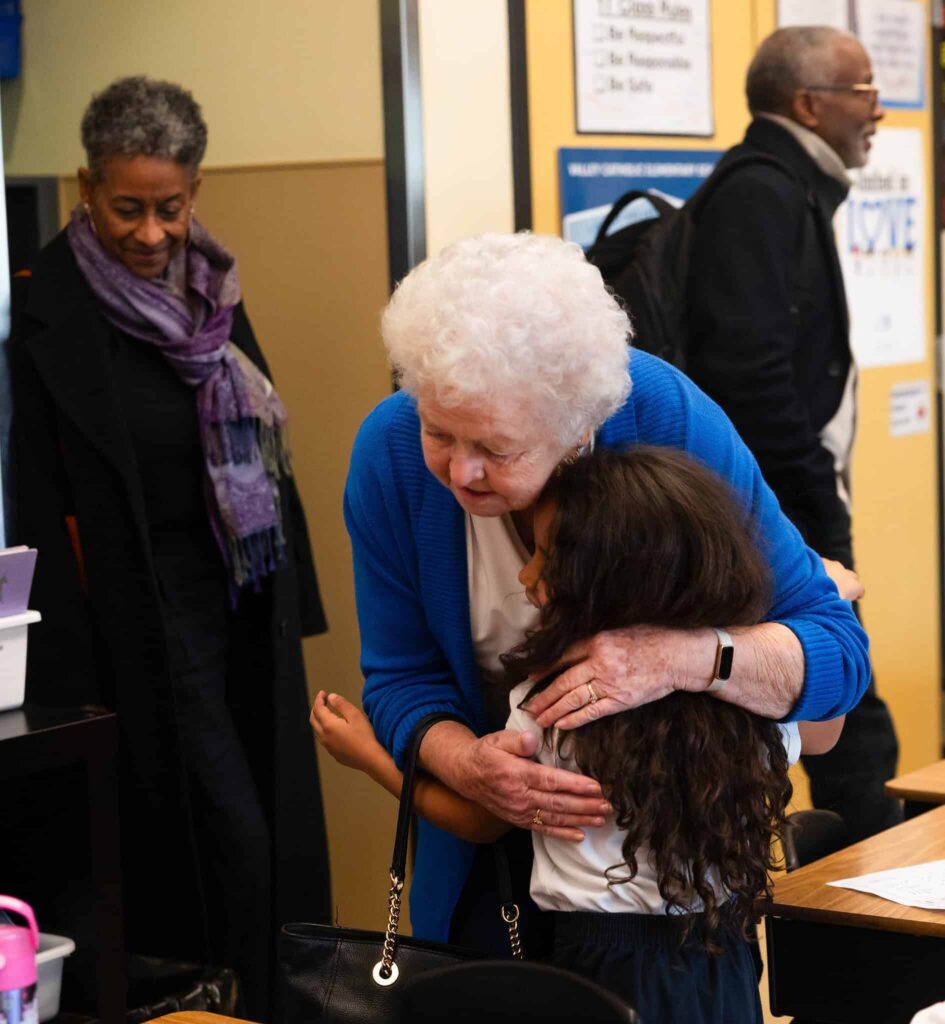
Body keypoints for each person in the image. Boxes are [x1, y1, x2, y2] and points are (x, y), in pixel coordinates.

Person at [343, 231, 869, 954]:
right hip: (491, 888)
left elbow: (836, 656)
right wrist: (465, 762)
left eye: (495, 449)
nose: (459, 473)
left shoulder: (665, 419)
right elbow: (401, 680)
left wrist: (684, 659)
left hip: (670, 900)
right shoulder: (392, 452)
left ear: (577, 429)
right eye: (440, 431)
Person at [318, 445, 846, 1021]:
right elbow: (825, 730)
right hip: (723, 961)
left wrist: (371, 756)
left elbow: (482, 819)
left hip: (598, 968)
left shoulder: (550, 707)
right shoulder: (748, 716)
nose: (525, 575)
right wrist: (826, 597)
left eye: (545, 558)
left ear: (603, 588)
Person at [7, 77, 329, 1018]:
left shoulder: (208, 289)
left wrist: (294, 597)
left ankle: (266, 997)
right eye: (127, 209)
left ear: (197, 192)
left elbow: (268, 460)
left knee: (265, 816)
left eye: (170, 208)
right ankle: (224, 1003)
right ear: (84, 187)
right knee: (223, 830)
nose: (151, 234)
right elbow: (32, 489)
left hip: (238, 595)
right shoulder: (45, 309)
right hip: (135, 615)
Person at [685, 26, 900, 843]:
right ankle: (874, 938)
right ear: (809, 103)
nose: (875, 111)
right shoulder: (762, 192)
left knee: (846, 717)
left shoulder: (782, 184)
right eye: (865, 91)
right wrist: (815, 494)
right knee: (849, 716)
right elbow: (749, 375)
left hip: (778, 496)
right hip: (771, 503)